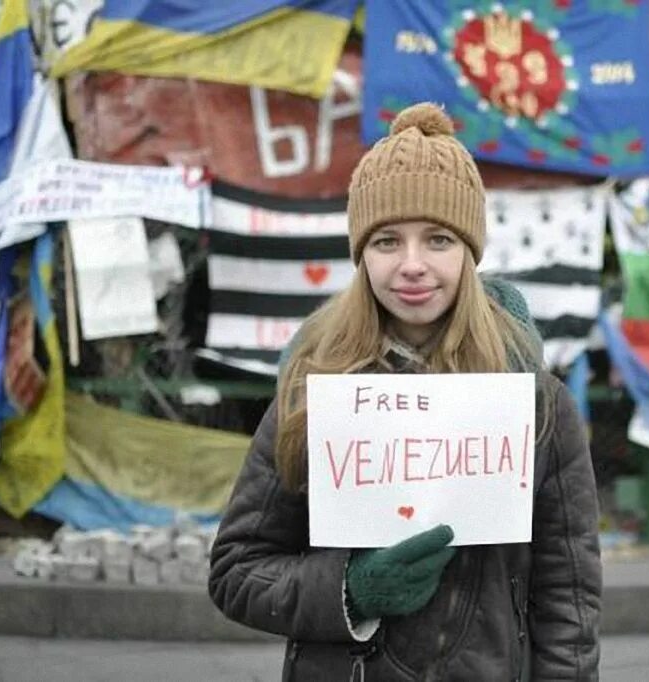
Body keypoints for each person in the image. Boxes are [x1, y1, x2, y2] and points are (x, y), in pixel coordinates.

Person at [208, 102, 602, 681]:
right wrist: (351, 591)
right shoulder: (312, 392)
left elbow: (568, 599)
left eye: (438, 239)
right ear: (361, 255)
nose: (412, 265)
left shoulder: (537, 406)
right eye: (387, 241)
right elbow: (236, 571)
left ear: (469, 253)